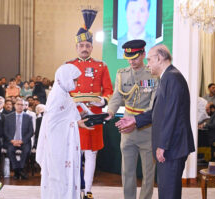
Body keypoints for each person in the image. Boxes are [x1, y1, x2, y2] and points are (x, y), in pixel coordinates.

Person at [116, 44, 195, 199]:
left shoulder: (171, 78)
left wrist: (163, 145)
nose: (148, 64)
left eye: (150, 60)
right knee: (167, 190)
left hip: (172, 146)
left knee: (168, 192)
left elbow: (171, 115)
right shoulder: (168, 77)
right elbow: (158, 112)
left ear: (159, 58)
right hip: (173, 145)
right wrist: (134, 120)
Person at [67, 8, 114, 199]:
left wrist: (103, 100)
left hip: (93, 115)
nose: (84, 48)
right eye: (81, 45)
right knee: (74, 154)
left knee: (91, 154)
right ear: (77, 47)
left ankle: (88, 190)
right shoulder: (68, 66)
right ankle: (75, 188)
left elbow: (109, 90)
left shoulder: (101, 66)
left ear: (92, 47)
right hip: (74, 115)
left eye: (88, 45)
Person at [106, 40, 157, 199]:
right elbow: (117, 96)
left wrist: (138, 120)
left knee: (148, 173)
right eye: (129, 58)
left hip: (146, 128)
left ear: (143, 54)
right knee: (127, 171)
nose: (131, 61)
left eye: (135, 57)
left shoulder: (152, 75)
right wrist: (111, 111)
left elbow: (153, 105)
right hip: (126, 130)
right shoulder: (122, 73)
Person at [36, 64, 94, 199]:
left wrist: (78, 122)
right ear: (66, 78)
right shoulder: (57, 96)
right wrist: (75, 124)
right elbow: (53, 125)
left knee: (67, 178)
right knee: (59, 179)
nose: (76, 83)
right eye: (74, 80)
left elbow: (67, 118)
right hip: (58, 148)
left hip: (66, 144)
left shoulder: (65, 94)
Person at [4, 98, 33, 180]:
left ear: (24, 106)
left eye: (22, 105)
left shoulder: (28, 117)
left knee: (26, 151)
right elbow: (5, 131)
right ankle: (19, 170)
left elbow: (31, 132)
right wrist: (12, 140)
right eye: (18, 104)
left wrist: (22, 141)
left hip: (24, 141)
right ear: (15, 105)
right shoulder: (8, 117)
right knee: (10, 151)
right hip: (12, 141)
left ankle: (17, 171)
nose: (20, 106)